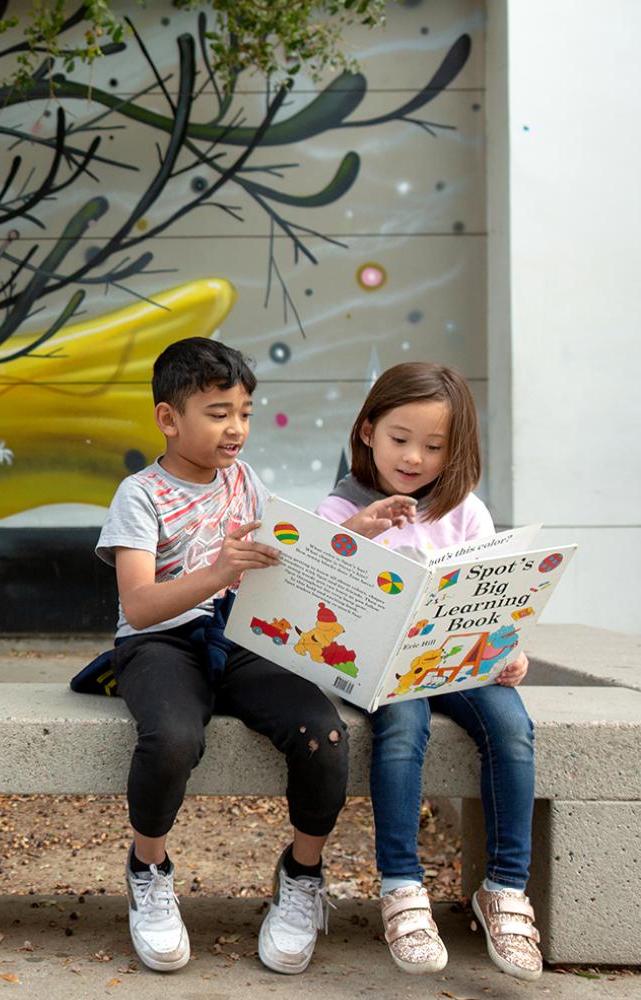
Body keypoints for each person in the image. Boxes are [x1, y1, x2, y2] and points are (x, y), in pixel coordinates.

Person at [90, 337, 349, 975]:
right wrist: (216, 570)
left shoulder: (243, 479)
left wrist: (356, 539)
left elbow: (280, 554)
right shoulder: (140, 494)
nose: (236, 428)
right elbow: (141, 605)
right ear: (169, 419)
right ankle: (148, 868)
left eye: (245, 412)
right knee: (174, 736)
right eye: (217, 412)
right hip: (158, 643)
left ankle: (301, 876)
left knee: (325, 732)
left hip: (241, 634)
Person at [316, 361, 542, 982]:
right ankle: (401, 887)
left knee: (512, 730)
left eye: (434, 446)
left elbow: (494, 595)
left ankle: (504, 889)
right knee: (402, 730)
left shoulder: (465, 511)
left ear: (455, 449)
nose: (413, 457)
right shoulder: (341, 505)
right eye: (399, 439)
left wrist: (507, 648)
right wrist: (359, 530)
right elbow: (319, 589)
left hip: (461, 662)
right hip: (384, 670)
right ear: (367, 432)